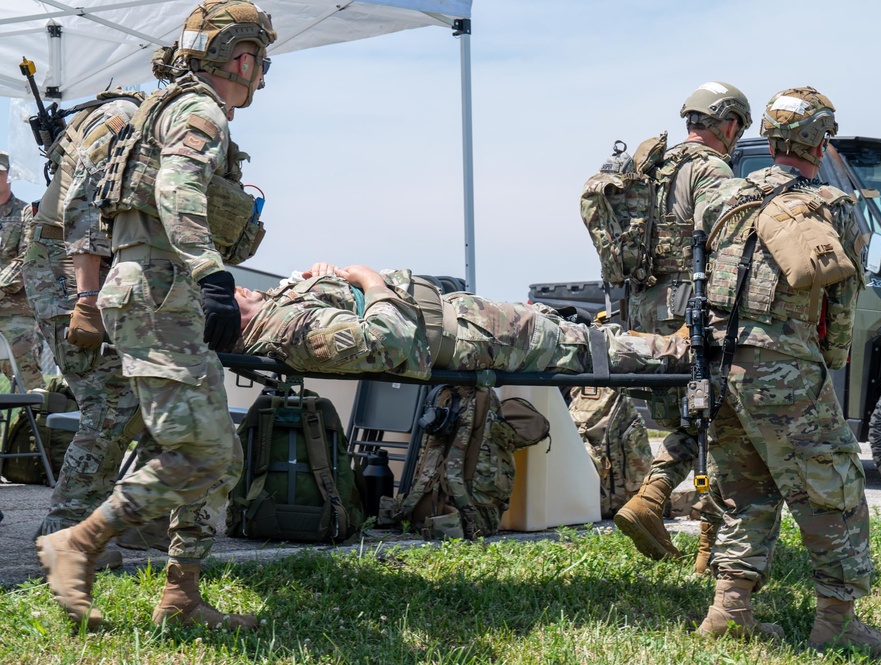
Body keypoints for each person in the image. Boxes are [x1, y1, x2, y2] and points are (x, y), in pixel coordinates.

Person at [36, 0, 275, 631]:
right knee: (200, 452)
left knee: (213, 454)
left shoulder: (164, 107)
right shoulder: (198, 110)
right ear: (243, 58)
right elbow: (176, 190)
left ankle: (181, 597)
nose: (260, 73)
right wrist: (213, 274)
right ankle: (78, 542)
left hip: (160, 294)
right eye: (260, 60)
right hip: (161, 293)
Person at [695, 87, 881, 655]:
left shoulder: (726, 199)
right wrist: (825, 370)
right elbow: (841, 301)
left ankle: (728, 610)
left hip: (716, 363)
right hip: (783, 369)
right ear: (820, 138)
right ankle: (839, 625)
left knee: (744, 487)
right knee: (833, 489)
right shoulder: (833, 205)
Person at [21, 90, 169, 564]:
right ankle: (66, 531)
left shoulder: (164, 131)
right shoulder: (125, 121)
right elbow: (83, 217)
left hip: (109, 272)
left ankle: (136, 523)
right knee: (111, 400)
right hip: (66, 268)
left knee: (156, 396)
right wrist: (86, 302)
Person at [614, 82, 750, 571]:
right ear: (729, 125)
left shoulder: (656, 166)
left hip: (644, 311)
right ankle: (707, 549)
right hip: (688, 310)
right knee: (717, 419)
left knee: (688, 418)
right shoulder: (712, 170)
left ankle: (652, 502)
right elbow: (727, 239)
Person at [233, 263, 691, 378]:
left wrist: (321, 279)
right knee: (581, 346)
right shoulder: (289, 333)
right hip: (469, 334)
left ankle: (668, 346)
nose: (239, 287)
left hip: (464, 318)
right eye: (229, 293)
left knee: (573, 333)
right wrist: (367, 280)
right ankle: (680, 353)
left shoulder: (276, 313)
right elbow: (386, 341)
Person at [0, 151, 44, 391]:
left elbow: (28, 258)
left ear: (9, 176)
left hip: (14, 314)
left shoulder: (26, 213)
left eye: (0, 173)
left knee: (29, 388)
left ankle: (34, 426)